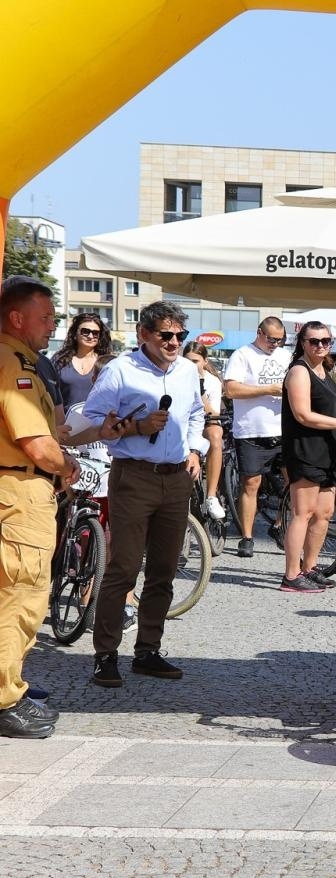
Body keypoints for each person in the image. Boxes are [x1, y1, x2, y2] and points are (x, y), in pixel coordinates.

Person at [82, 299, 206, 687]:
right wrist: (136, 426)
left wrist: (194, 449)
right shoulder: (121, 369)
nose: (173, 342)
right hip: (134, 475)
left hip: (175, 478)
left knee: (164, 570)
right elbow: (94, 419)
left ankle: (148, 650)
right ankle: (105, 655)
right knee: (124, 567)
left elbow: (196, 413)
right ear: (144, 335)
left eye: (179, 335)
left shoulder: (187, 370)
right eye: (165, 335)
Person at [0, 276, 78, 739]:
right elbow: (37, 444)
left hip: (18, 487)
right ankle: (5, 698)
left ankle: (11, 682)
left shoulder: (21, 360)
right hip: (21, 490)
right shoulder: (14, 366)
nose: (52, 326)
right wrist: (67, 466)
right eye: (45, 317)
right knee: (21, 595)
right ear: (16, 318)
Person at [279, 321, 336, 593]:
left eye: (326, 340)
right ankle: (291, 574)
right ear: (302, 342)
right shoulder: (299, 371)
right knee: (302, 512)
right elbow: (303, 414)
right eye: (314, 341)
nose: (321, 346)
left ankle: (309, 568)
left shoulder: (325, 369)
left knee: (324, 514)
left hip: (327, 450)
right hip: (305, 449)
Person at [223, 317, 290, 558]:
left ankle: (279, 525)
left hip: (283, 429)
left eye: (280, 339)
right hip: (252, 429)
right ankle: (247, 536)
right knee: (251, 484)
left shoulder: (285, 356)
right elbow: (230, 390)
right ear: (259, 333)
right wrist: (269, 389)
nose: (275, 344)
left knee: (293, 483)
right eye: (271, 338)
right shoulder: (242, 354)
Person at [182, 341, 226, 520]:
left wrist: (200, 390)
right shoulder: (177, 375)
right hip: (183, 424)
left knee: (216, 434)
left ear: (205, 361)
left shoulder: (212, 381)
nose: (191, 365)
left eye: (196, 361)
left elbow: (212, 413)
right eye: (188, 361)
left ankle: (211, 496)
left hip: (205, 423)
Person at [51, 311, 114, 412]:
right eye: (85, 331)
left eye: (95, 333)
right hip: (65, 422)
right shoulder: (59, 360)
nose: (90, 336)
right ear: (75, 333)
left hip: (97, 423)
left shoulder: (107, 362)